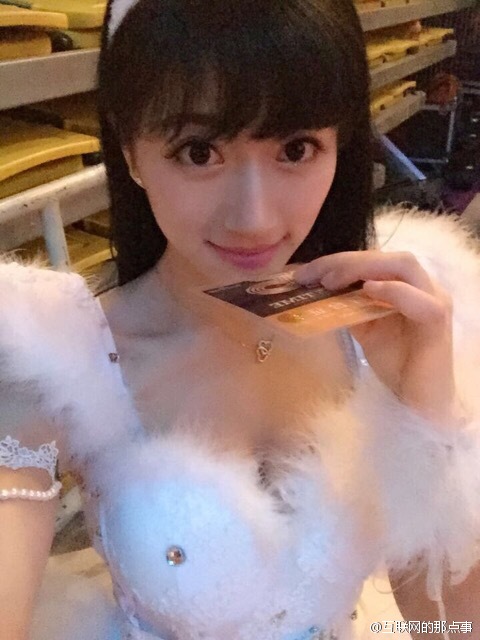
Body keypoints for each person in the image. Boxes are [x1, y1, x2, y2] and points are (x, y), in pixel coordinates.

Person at [1, 1, 480, 639]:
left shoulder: (389, 325)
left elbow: (444, 627)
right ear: (131, 150)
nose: (254, 218)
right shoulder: (62, 361)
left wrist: (427, 417)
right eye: (199, 152)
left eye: (296, 148)